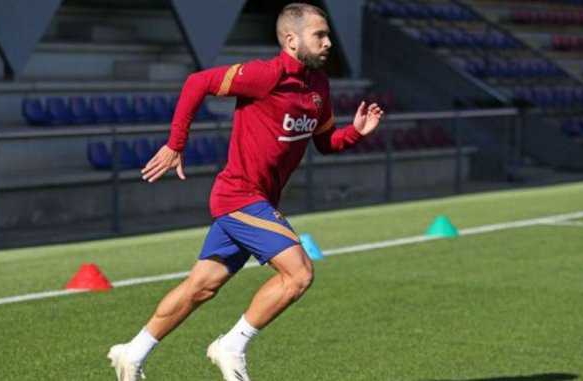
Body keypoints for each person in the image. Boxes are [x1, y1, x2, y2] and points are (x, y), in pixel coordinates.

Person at [107, 3, 383, 380]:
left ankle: (131, 353)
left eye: (328, 34)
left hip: (258, 202)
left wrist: (355, 132)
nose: (329, 42)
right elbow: (197, 82)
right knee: (299, 273)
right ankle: (231, 345)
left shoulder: (319, 85)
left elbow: (324, 142)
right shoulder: (264, 75)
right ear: (290, 40)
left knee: (200, 288)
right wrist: (176, 143)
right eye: (319, 34)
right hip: (238, 197)